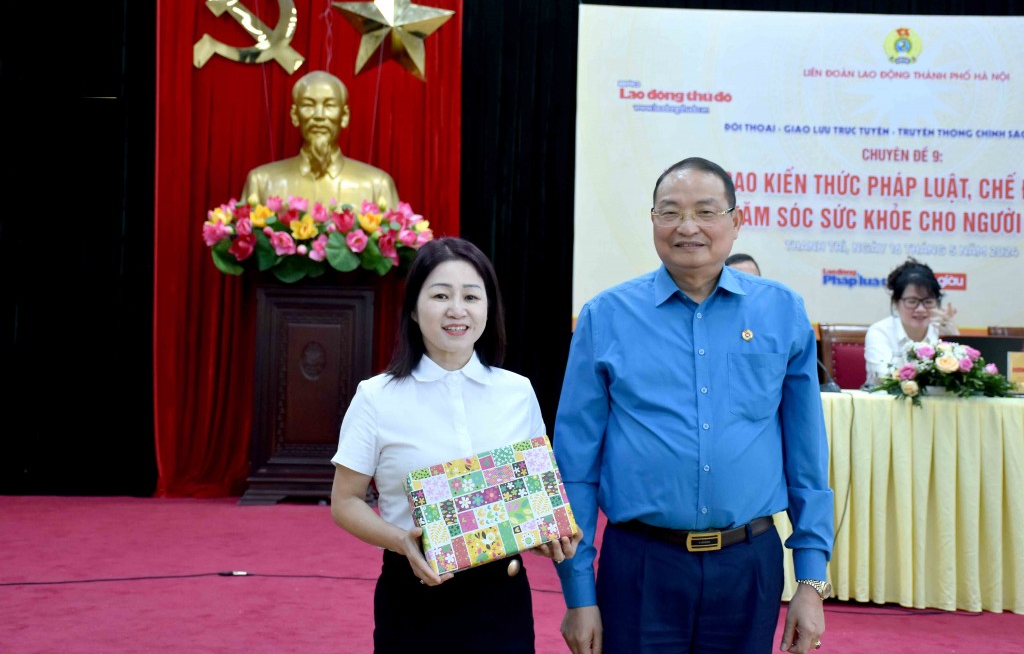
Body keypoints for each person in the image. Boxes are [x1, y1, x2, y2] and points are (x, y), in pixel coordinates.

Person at [554, 157, 834, 654]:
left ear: (736, 221)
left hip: (748, 563)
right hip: (640, 564)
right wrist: (578, 592)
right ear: (653, 220)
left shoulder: (780, 311)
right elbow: (575, 467)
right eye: (670, 212)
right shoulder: (606, 317)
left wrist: (810, 580)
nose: (687, 227)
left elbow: (807, 458)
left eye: (706, 211)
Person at [329, 236, 580, 653]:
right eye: (441, 295)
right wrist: (401, 540)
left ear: (488, 308)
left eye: (471, 296)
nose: (457, 310)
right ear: (413, 308)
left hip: (503, 599)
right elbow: (345, 501)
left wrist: (546, 532)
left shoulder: (517, 392)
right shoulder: (376, 396)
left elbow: (532, 493)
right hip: (415, 595)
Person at [243, 70, 400, 210]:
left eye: (329, 105)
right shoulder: (262, 182)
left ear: (344, 116)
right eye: (308, 105)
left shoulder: (377, 185)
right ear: (295, 115)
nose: (319, 115)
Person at [863, 258, 959, 388]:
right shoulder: (880, 332)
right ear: (896, 302)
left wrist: (953, 339)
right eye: (912, 301)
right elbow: (884, 377)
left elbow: (960, 381)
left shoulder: (943, 331)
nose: (921, 309)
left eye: (928, 302)